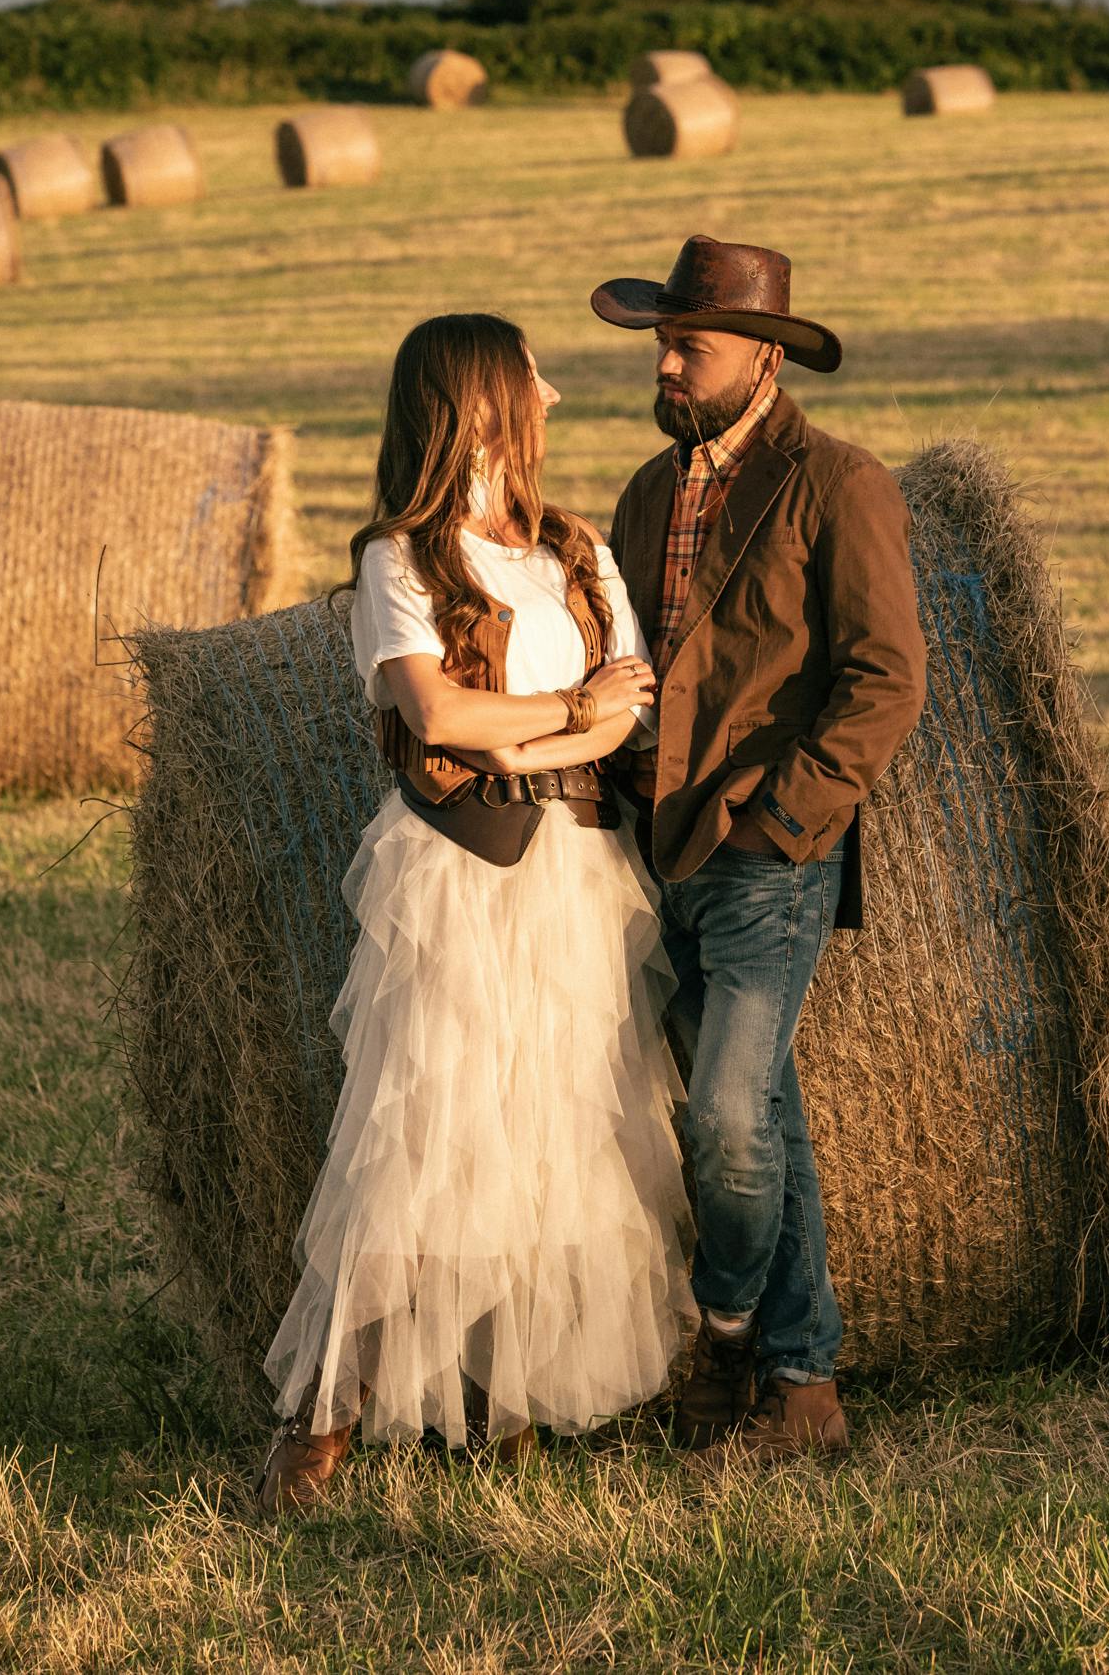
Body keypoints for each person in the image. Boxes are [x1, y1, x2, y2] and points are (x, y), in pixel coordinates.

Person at [258, 312, 694, 1516]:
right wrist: (569, 710)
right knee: (422, 1135)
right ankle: (323, 1412)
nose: (551, 395)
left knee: (558, 1129)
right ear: (482, 402)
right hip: (457, 869)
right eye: (531, 378)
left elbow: (633, 704)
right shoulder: (400, 559)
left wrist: (541, 734)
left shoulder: (575, 549)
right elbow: (438, 716)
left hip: (579, 867)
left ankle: (512, 1403)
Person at [593, 235, 927, 1461]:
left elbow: (885, 678)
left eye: (690, 346)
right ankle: (803, 1382)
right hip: (652, 848)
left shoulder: (837, 483)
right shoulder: (646, 492)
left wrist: (786, 819)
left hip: (765, 854)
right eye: (662, 344)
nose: (667, 365)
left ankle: (727, 1331)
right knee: (763, 1115)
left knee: (728, 1116)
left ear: (765, 359)